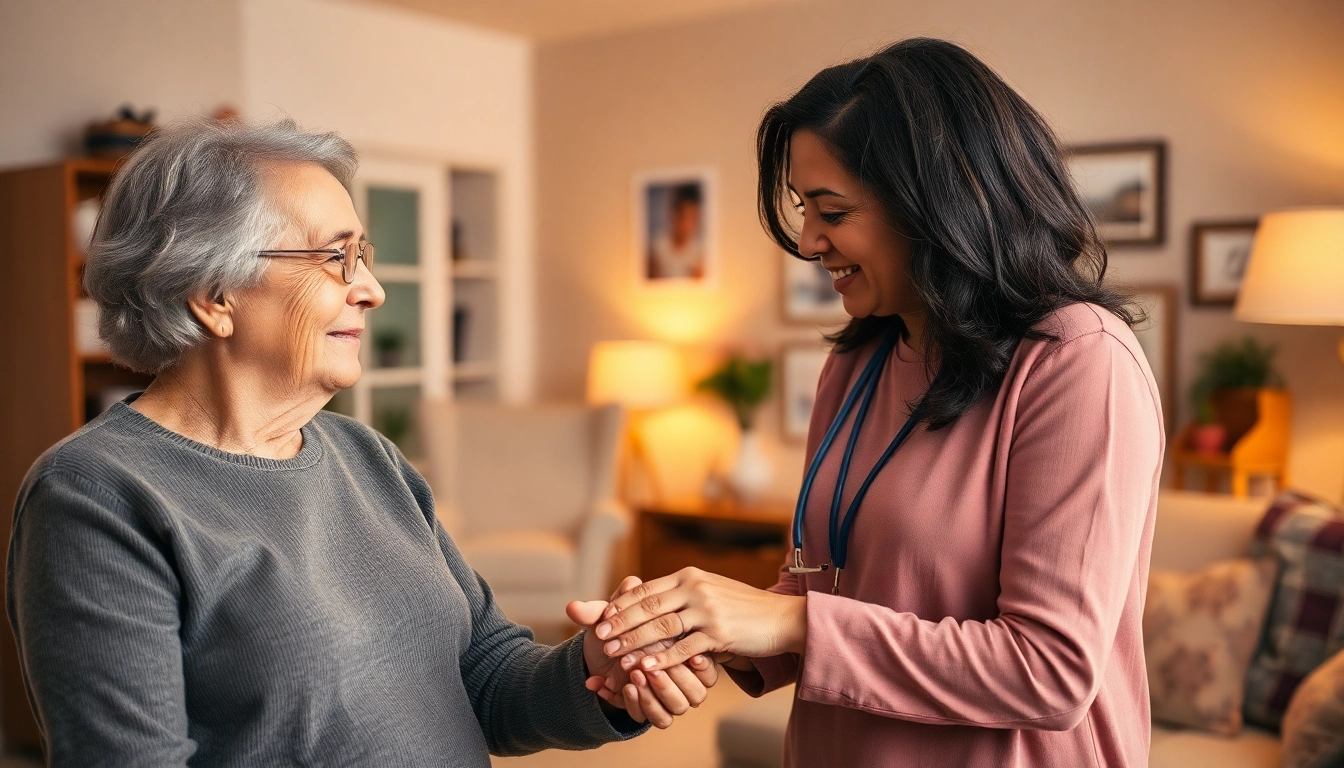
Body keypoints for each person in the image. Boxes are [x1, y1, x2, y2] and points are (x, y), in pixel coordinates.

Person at [6, 118, 714, 766]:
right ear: (214, 293)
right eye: (336, 259)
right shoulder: (96, 497)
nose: (372, 289)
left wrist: (602, 670)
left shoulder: (367, 457)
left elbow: (488, 680)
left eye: (364, 255)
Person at [593, 38, 1164, 766]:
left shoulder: (1078, 362)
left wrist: (784, 624)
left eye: (831, 210)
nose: (807, 240)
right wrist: (696, 638)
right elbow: (834, 585)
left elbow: (1049, 671)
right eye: (804, 208)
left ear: (939, 204)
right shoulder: (855, 364)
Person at [648, 183, 705, 279]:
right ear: (674, 215)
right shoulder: (658, 246)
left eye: (692, 218)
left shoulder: (700, 251)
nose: (686, 224)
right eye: (683, 216)